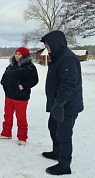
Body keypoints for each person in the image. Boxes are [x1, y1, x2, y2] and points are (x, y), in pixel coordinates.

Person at [40, 30, 83, 175]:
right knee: (53, 127)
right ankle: (57, 152)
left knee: (64, 134)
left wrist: (59, 104)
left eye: (47, 45)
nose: (46, 48)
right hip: (57, 104)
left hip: (67, 105)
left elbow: (68, 84)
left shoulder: (68, 58)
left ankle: (64, 165)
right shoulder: (58, 56)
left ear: (55, 43)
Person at [0, 47, 38, 145]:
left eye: (19, 54)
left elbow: (34, 80)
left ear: (24, 56)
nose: (17, 56)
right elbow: (5, 76)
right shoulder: (11, 65)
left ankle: (22, 137)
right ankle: (6, 133)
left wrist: (23, 85)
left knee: (21, 118)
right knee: (7, 115)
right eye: (16, 53)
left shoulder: (30, 67)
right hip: (9, 95)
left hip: (21, 97)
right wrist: (3, 83)